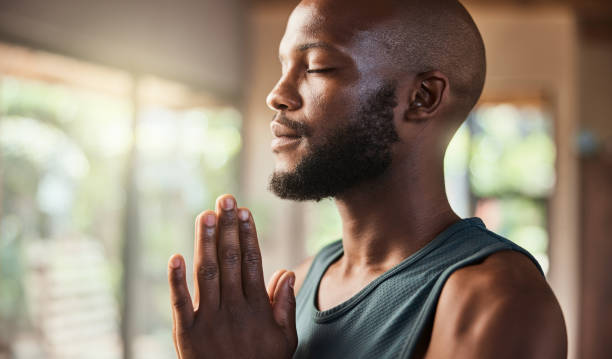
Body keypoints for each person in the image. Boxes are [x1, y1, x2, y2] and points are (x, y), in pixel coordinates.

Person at [166, 0, 568, 357]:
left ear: (422, 97)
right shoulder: (303, 280)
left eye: (317, 67)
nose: (277, 94)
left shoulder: (496, 302)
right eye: (283, 67)